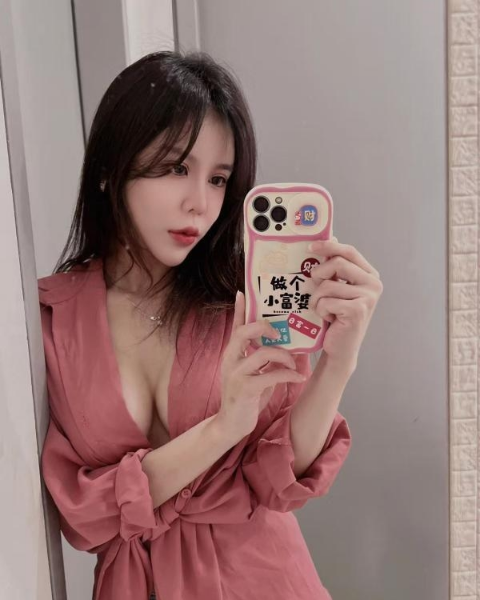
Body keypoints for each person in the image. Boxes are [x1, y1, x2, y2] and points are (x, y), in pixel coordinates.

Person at [39, 50, 382, 600]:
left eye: (219, 179)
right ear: (108, 170)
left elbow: (279, 478)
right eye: (176, 168)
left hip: (263, 579)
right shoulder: (53, 319)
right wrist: (224, 428)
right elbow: (82, 515)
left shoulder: (241, 299)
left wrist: (339, 362)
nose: (200, 204)